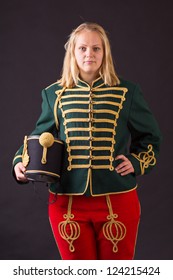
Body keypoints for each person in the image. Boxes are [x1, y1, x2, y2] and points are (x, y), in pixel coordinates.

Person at [13, 22, 162, 260]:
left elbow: (151, 137)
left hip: (118, 199)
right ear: (73, 52)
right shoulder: (54, 94)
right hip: (67, 202)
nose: (89, 54)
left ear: (105, 53)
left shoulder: (127, 91)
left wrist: (136, 162)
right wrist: (21, 162)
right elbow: (42, 136)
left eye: (96, 48)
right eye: (82, 48)